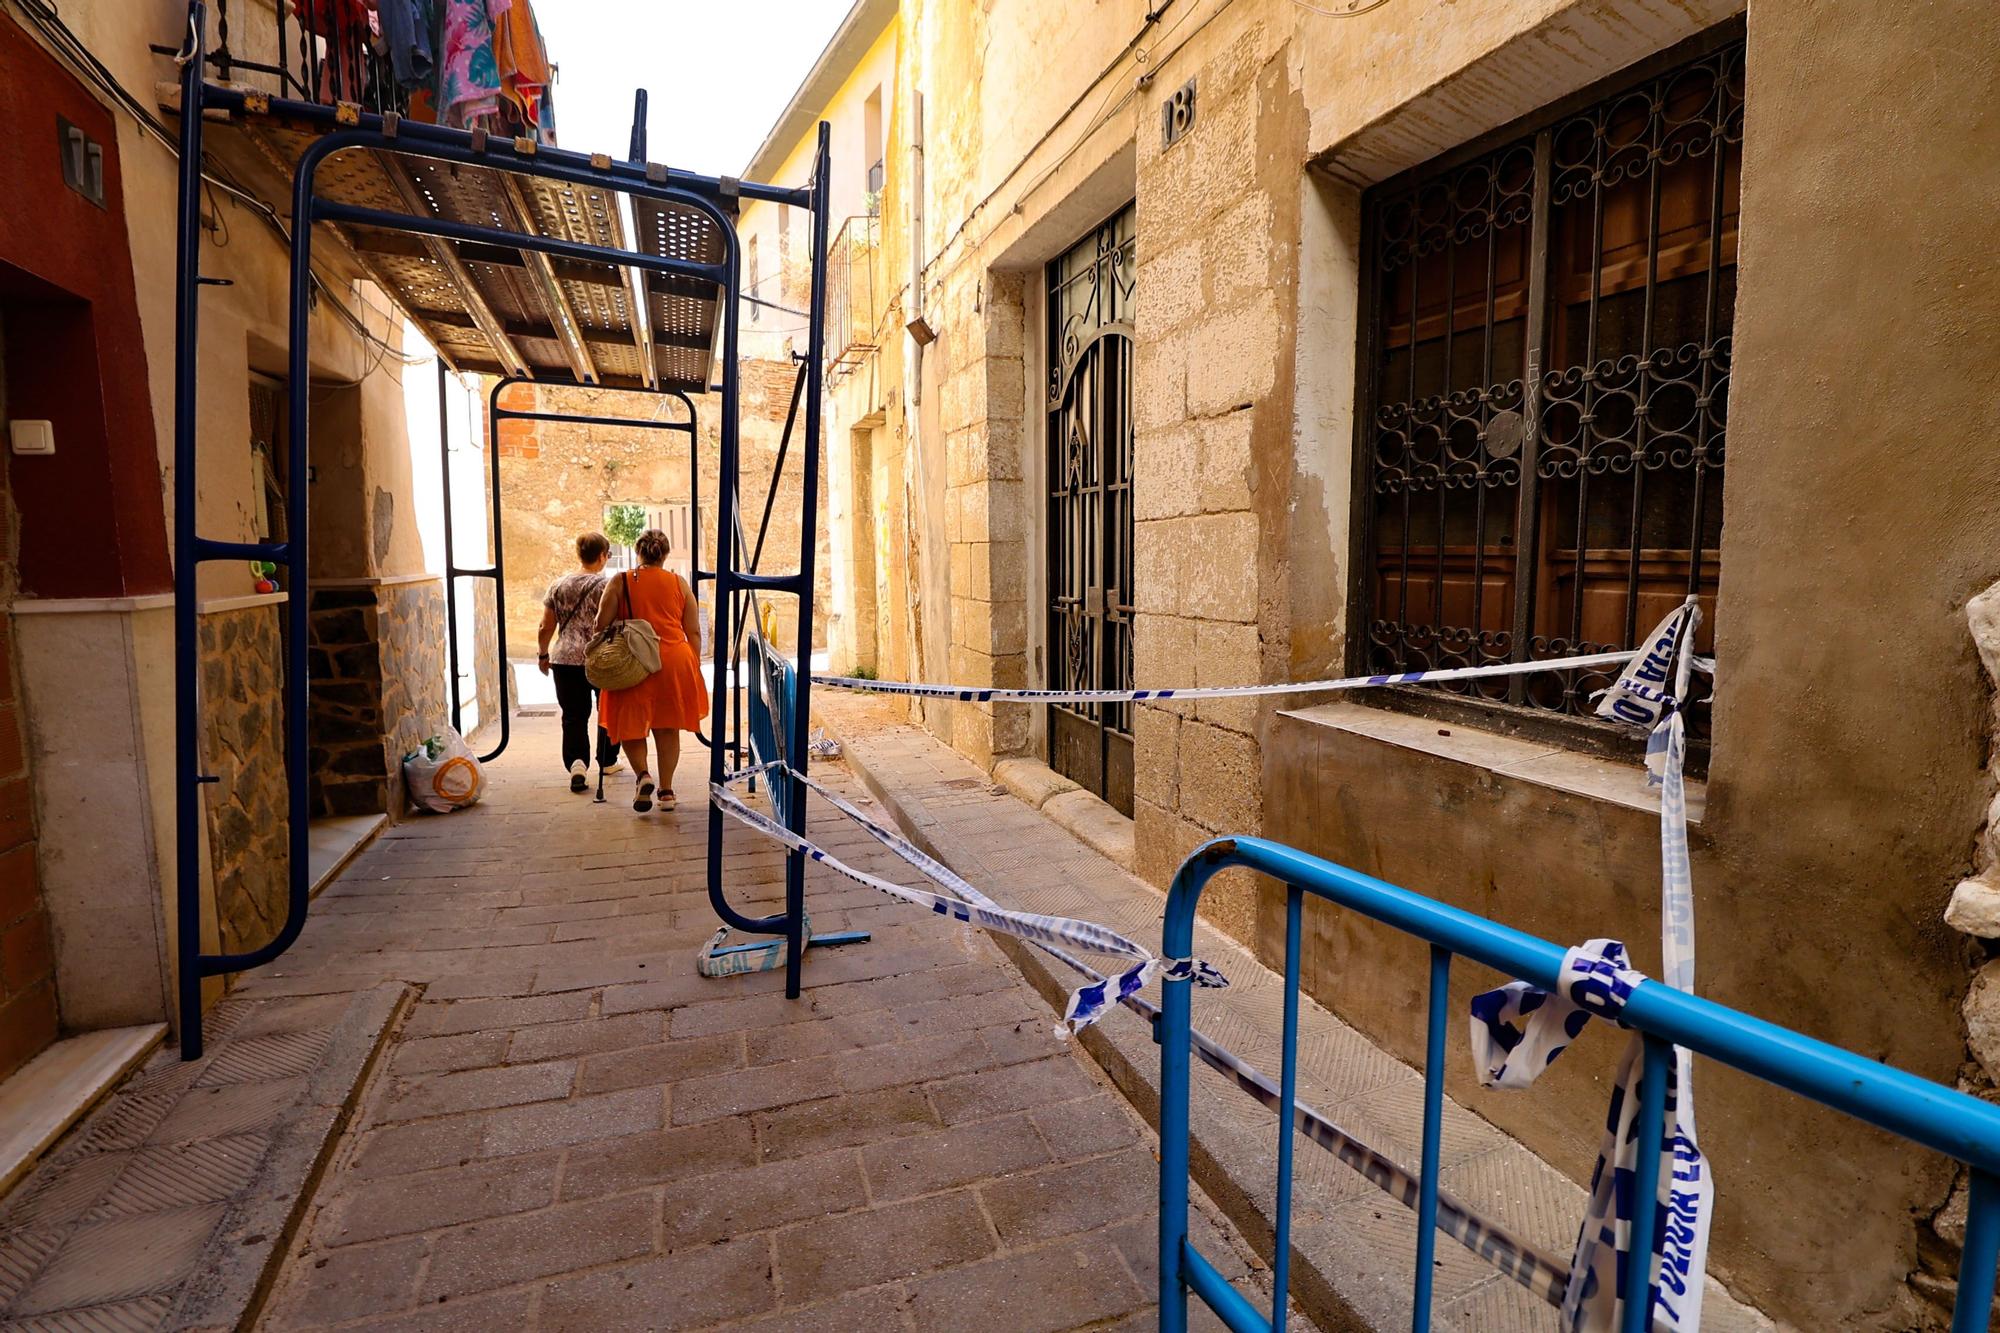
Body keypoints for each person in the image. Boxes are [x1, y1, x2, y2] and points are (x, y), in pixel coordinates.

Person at [591, 528, 708, 813]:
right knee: (667, 728)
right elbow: (692, 629)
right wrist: (692, 663)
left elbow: (600, 624)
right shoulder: (679, 583)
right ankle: (666, 791)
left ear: (637, 552)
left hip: (633, 663)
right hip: (673, 661)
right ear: (665, 555)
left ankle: (643, 775)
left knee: (631, 726)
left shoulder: (620, 581)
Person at [537, 531, 621, 792]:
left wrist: (543, 654)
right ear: (602, 556)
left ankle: (577, 765)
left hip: (565, 658)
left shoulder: (559, 585)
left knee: (573, 715)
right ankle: (607, 760)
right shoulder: (607, 585)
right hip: (601, 657)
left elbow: (545, 626)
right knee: (608, 709)